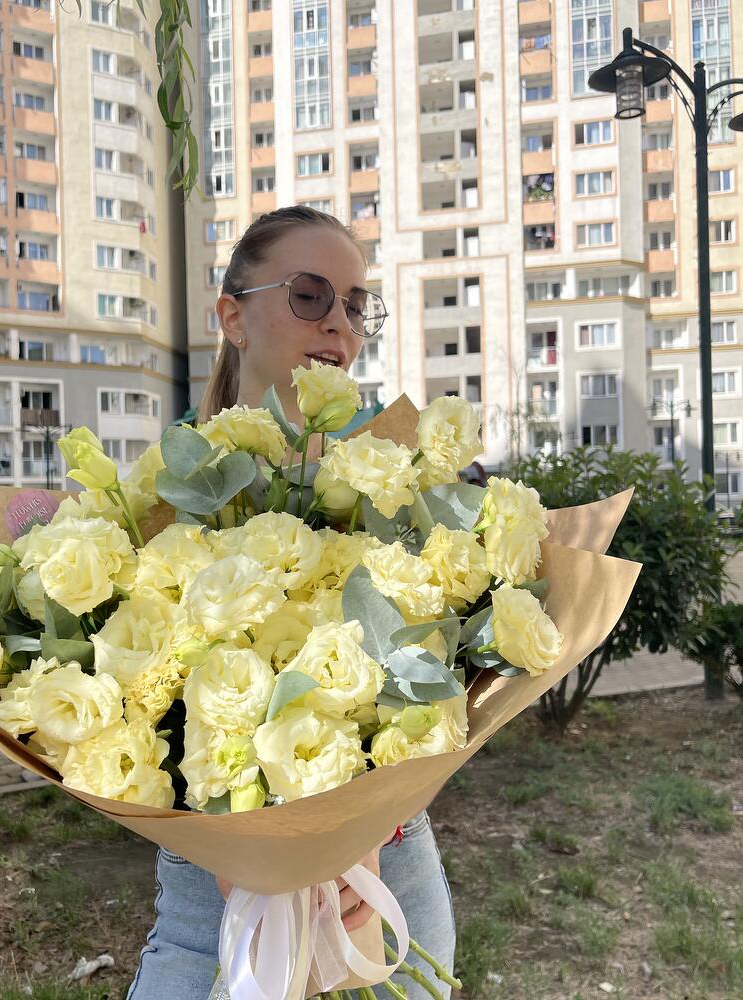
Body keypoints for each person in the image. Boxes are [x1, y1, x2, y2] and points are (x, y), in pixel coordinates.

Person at [126, 206, 456, 1000]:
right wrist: (247, 844)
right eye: (310, 295)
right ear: (232, 317)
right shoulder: (153, 500)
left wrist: (368, 821)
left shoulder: (397, 476)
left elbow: (447, 675)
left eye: (355, 304)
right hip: (214, 908)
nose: (338, 322)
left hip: (389, 884)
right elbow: (126, 702)